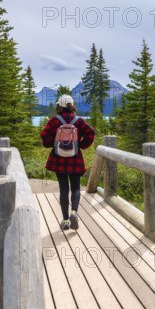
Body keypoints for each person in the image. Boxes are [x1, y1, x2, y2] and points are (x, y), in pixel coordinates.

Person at [41, 94, 95, 230]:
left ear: (59, 106)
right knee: (76, 187)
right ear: (72, 105)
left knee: (63, 189)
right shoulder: (79, 120)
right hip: (75, 158)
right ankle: (74, 212)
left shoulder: (54, 121)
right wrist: (81, 146)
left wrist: (51, 145)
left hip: (58, 159)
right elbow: (91, 133)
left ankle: (65, 221)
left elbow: (44, 135)